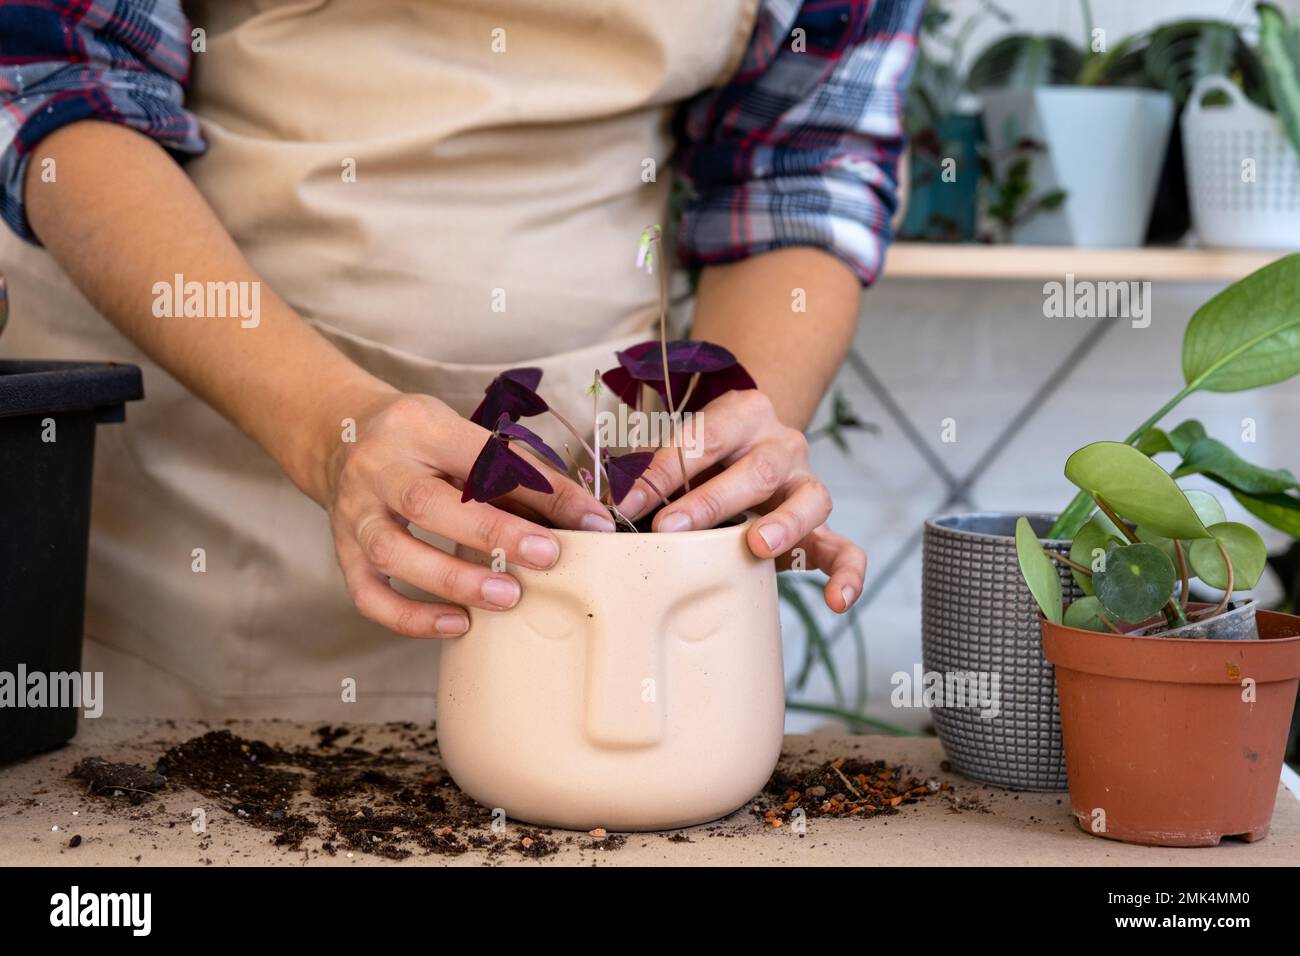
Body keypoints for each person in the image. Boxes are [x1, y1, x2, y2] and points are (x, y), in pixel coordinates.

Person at [0, 0, 922, 719]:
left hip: (584, 493)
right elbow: (59, 71)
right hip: (204, 451)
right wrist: (329, 429)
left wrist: (713, 465)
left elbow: (801, 164)